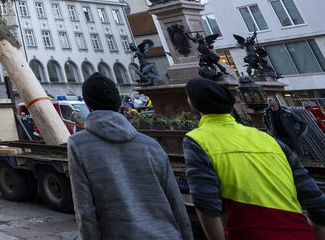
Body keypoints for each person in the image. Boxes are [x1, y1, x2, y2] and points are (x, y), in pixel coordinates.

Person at [183, 78, 325, 239]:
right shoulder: (267, 138)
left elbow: (206, 205)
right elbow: (317, 203)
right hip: (300, 232)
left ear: (193, 103)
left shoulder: (198, 139)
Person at [68, 73, 192, 240]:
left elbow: (85, 210)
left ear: (87, 104)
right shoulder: (150, 144)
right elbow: (175, 202)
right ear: (119, 103)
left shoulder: (79, 144)